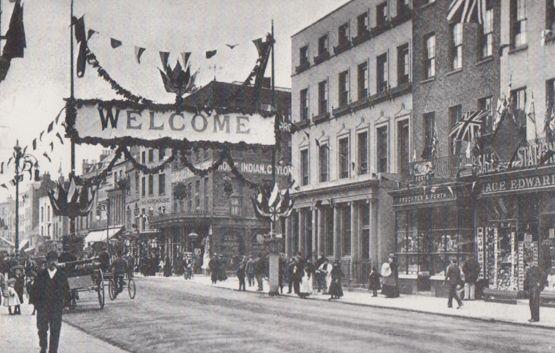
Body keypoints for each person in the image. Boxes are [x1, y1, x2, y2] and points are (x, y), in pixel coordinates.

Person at [34, 250, 70, 353]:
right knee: (42, 329)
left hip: (56, 307)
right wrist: (36, 304)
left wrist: (67, 303)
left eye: (55, 260)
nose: (53, 263)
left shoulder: (62, 275)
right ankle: (43, 346)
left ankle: (53, 350)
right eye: (50, 260)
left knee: (55, 329)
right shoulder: (41, 275)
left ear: (57, 261)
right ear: (47, 262)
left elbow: (66, 290)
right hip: (43, 307)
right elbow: (35, 290)